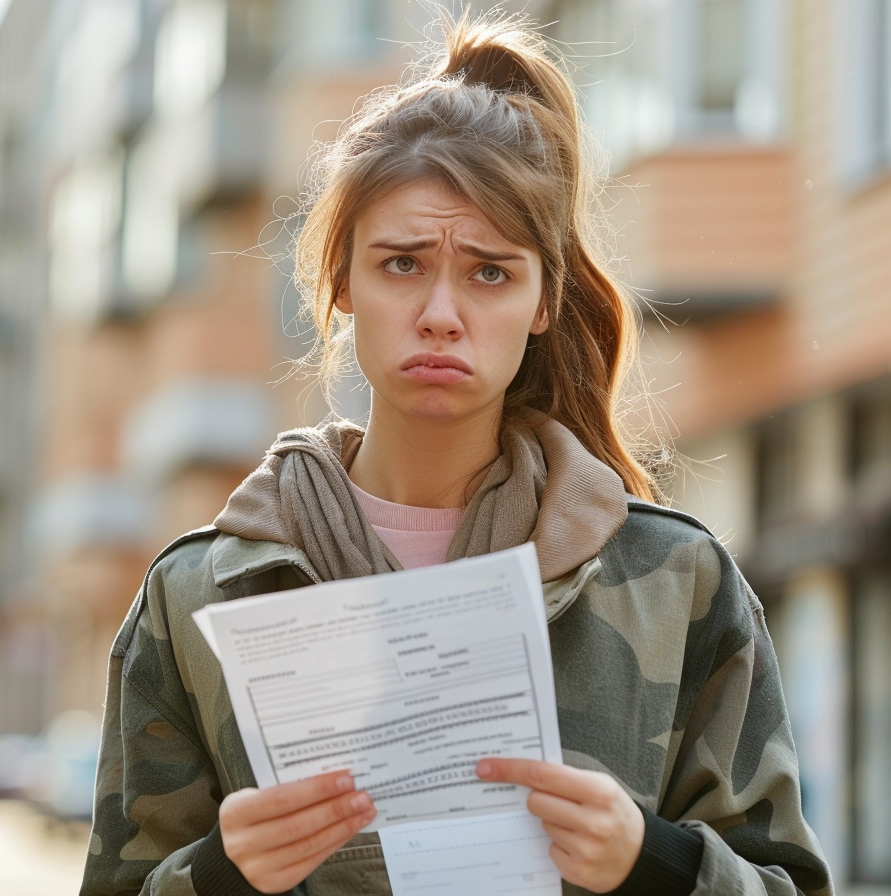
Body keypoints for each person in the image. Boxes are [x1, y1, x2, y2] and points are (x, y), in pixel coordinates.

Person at [79, 10, 833, 896]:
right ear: (341, 283)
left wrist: (651, 863)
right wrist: (220, 874)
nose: (442, 311)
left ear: (545, 300)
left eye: (490, 272)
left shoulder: (674, 581)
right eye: (402, 263)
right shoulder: (198, 596)